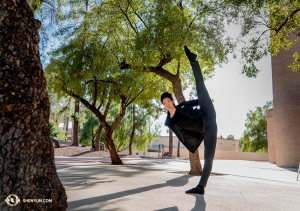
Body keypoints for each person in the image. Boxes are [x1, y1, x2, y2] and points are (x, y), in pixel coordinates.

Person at [161, 46, 217, 195]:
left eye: (168, 101)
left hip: (207, 112)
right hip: (207, 130)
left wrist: (205, 101)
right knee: (209, 157)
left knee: (200, 86)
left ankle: (193, 59)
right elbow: (183, 134)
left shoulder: (182, 106)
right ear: (164, 106)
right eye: (164, 103)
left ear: (172, 101)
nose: (167, 104)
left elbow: (197, 101)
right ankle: (201, 187)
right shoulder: (171, 122)